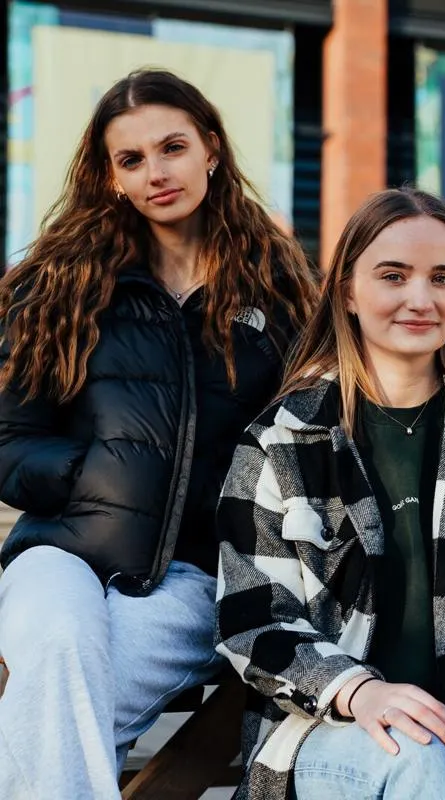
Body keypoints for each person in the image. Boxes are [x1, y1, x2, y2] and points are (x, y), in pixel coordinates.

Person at [0, 69, 317, 799]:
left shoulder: (280, 294)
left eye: (171, 147)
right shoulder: (56, 285)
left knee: (56, 712)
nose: (156, 173)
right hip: (61, 551)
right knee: (55, 650)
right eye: (131, 160)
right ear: (110, 179)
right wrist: (91, 480)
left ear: (211, 148)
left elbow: (302, 445)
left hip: (197, 577)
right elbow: (9, 438)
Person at [215, 187, 445, 800]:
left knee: (437, 758)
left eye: (443, 278)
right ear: (347, 291)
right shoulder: (283, 438)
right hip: (321, 741)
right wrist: (364, 694)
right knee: (422, 757)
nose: (421, 299)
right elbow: (252, 621)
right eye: (394, 276)